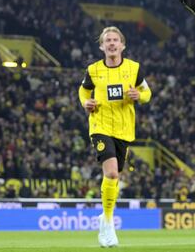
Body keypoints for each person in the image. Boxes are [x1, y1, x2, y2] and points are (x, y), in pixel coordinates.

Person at [79, 26, 151, 248]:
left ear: (122, 45)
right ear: (101, 46)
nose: (111, 43)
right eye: (107, 40)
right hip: (100, 126)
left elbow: (147, 93)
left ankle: (105, 216)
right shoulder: (93, 70)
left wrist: (139, 95)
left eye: (115, 40)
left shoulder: (134, 68)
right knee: (110, 172)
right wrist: (85, 103)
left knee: (115, 177)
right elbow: (83, 91)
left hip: (124, 130)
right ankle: (108, 223)